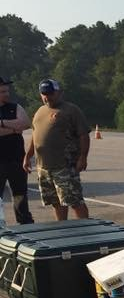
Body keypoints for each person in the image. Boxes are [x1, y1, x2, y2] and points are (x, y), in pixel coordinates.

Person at [24, 79, 90, 220]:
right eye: (44, 94)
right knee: (55, 202)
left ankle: (86, 231)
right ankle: (62, 229)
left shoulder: (71, 110)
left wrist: (83, 157)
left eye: (50, 93)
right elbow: (35, 135)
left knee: (74, 201)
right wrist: (28, 156)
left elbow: (83, 135)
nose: (47, 97)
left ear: (59, 92)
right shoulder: (40, 111)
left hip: (65, 166)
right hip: (44, 167)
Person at [0, 77, 34, 224]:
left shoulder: (15, 107)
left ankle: (25, 223)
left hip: (16, 160)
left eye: (7, 91)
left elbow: (25, 123)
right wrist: (14, 128)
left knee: (20, 194)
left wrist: (2, 123)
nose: (7, 94)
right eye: (2, 92)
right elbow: (18, 126)